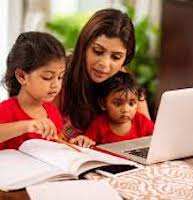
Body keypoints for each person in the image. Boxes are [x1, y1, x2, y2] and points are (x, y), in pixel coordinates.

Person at [61, 8, 151, 146]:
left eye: (116, 57)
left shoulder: (125, 83)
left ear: (125, 58)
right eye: (97, 51)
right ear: (84, 46)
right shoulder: (58, 76)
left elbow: (148, 137)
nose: (104, 64)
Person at [0, 31, 66, 151]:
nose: (56, 85)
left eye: (60, 77)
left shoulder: (51, 111)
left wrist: (72, 144)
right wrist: (26, 126)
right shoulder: (8, 109)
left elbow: (57, 141)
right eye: (47, 77)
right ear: (22, 76)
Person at [84, 71, 154, 145]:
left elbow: (158, 139)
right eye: (118, 104)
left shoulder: (141, 122)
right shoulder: (98, 126)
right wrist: (85, 141)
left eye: (131, 104)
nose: (126, 110)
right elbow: (87, 145)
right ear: (103, 104)